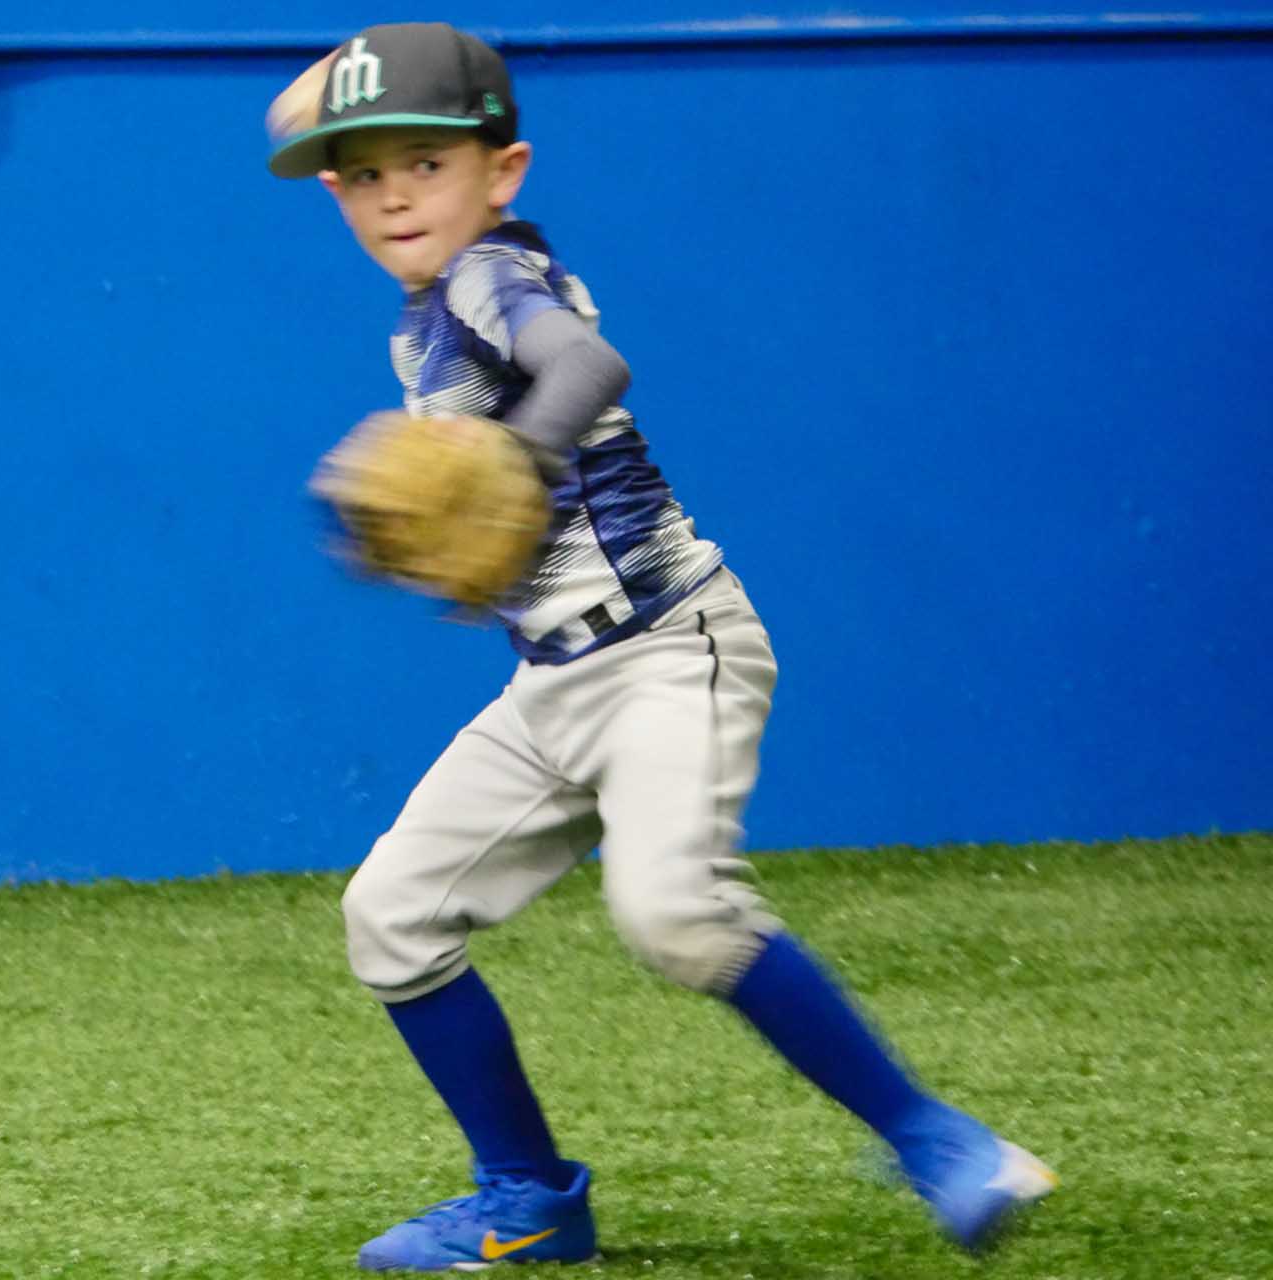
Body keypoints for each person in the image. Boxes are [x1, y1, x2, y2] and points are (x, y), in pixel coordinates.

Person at [265, 22, 1057, 1273]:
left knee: (675, 911)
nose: (395, 192)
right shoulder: (420, 318)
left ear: (503, 171)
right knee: (391, 915)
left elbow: (586, 360)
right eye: (363, 173)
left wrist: (512, 460)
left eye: (427, 159)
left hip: (665, 647)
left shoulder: (488, 277)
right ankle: (527, 1194)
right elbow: (310, 128)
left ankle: (939, 1137)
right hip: (556, 681)